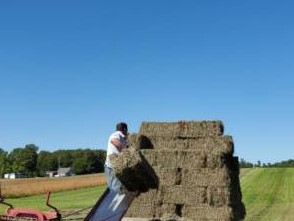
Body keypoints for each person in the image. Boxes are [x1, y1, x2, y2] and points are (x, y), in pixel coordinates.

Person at [104, 122, 129, 193]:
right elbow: (113, 140)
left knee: (113, 188)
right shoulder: (117, 134)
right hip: (112, 166)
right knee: (116, 188)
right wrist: (126, 149)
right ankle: (120, 203)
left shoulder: (123, 137)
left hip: (111, 166)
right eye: (126, 130)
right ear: (124, 129)